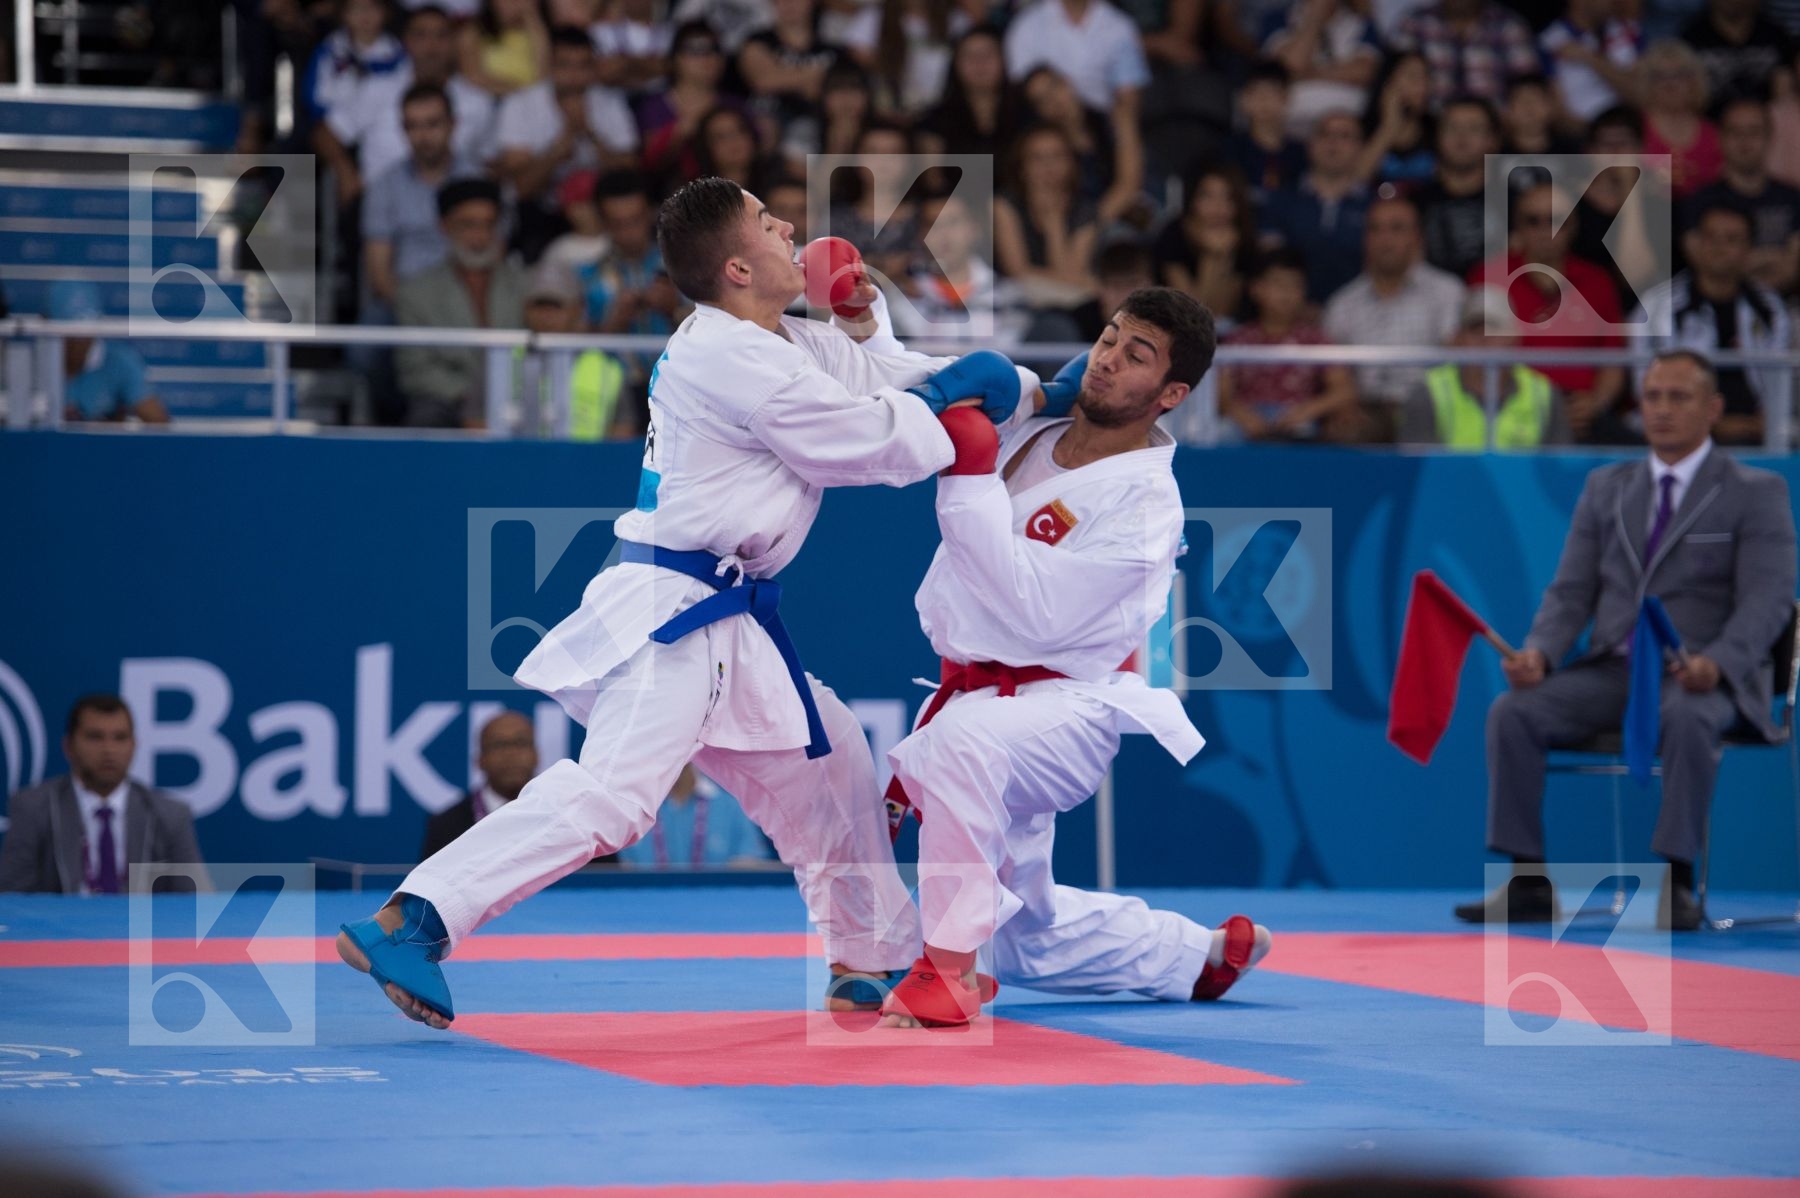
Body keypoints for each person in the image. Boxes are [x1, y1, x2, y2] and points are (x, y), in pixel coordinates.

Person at [335, 176, 1042, 1028]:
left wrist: (1044, 394)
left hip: (727, 618)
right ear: (737, 268)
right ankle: (412, 921)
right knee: (616, 797)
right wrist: (949, 397)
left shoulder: (781, 340)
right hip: (674, 612)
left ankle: (869, 956)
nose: (790, 226)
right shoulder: (724, 353)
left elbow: (883, 376)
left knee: (832, 764)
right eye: (767, 222)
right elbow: (863, 439)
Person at [876, 287, 1272, 1028]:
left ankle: (949, 970)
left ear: (1171, 394)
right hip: (981, 696)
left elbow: (1034, 609)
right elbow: (918, 388)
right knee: (1025, 938)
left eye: (1136, 356)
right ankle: (1200, 956)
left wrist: (968, 479)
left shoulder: (1146, 506)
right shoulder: (1032, 425)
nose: (1108, 359)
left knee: (958, 747)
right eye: (1110, 338)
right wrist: (864, 320)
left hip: (1066, 708)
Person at [1456, 349, 1796, 932]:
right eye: (1653, 397)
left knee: (1688, 716)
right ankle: (1528, 880)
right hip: (1613, 671)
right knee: (1514, 712)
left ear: (1713, 408)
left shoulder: (1755, 491)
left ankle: (1677, 882)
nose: (1662, 409)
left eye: (1679, 397)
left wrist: (1717, 663)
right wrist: (1540, 652)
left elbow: (1767, 601)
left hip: (1700, 674)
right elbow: (1571, 592)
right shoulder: (1606, 487)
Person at [1467, 180, 1626, 443]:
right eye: (1533, 221)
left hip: (1582, 415)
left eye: (1556, 220)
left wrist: (1594, 403)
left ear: (1573, 226)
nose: (1545, 230)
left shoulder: (1598, 282)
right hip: (1508, 413)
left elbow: (1614, 361)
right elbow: (1470, 357)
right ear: (1517, 226)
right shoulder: (1488, 277)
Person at [0, 695, 205, 894]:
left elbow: (195, 900)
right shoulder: (33, 807)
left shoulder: (170, 814)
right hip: (63, 918)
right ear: (69, 746)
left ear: (134, 746)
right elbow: (10, 897)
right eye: (95, 737)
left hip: (137, 919)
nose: (109, 750)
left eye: (120, 738)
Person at [1631, 201, 1793, 447]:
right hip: (1680, 431)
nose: (1720, 248)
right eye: (1711, 238)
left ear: (1749, 249)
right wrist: (1710, 424)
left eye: (1731, 239)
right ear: (1696, 243)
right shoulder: (1657, 306)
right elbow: (1645, 384)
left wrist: (1760, 424)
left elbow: (1780, 387)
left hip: (1757, 435)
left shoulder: (1770, 308)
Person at [1322, 193, 1465, 429]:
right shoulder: (1343, 303)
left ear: (1417, 237)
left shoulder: (1447, 292)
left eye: (1397, 228)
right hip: (1364, 414)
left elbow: (1456, 363)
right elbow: (1335, 374)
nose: (1385, 239)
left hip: (1430, 410)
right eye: (1375, 229)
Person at [493, 25, 640, 253]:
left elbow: (631, 173)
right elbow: (521, 188)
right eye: (565, 65)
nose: (574, 76)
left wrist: (590, 134)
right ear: (551, 66)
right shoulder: (520, 104)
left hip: (601, 209)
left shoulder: (610, 103)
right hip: (543, 213)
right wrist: (559, 148)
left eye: (583, 66)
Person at [394, 178, 528, 428]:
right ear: (444, 226)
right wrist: (474, 399)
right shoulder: (416, 293)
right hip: (453, 399)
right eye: (468, 225)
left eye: (488, 225)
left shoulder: (525, 285)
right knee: (426, 416)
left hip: (518, 396)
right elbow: (416, 371)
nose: (480, 237)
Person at [323, 4, 500, 190]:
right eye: (421, 35)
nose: (431, 46)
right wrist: (346, 173)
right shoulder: (377, 89)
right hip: (381, 200)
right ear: (406, 41)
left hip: (454, 202)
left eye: (441, 36)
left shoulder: (478, 101)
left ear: (453, 44)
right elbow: (326, 135)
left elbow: (490, 160)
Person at [1400, 286, 1569, 448]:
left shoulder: (1544, 393)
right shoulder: (1427, 393)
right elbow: (1418, 465)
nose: (1484, 338)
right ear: (1458, 338)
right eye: (1475, 330)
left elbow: (1560, 464)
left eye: (1494, 328)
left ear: (1514, 337)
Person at [1219, 249, 1359, 442]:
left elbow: (1344, 391)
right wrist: (1242, 415)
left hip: (1299, 422)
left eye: (1295, 285)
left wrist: (1308, 410)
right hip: (1245, 422)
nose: (1286, 293)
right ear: (1256, 288)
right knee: (1222, 433)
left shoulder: (1315, 340)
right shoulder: (1238, 339)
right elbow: (1222, 394)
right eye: (1278, 284)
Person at [1683, 95, 1800, 297]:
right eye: (1735, 132)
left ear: (1770, 137)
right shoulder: (1697, 202)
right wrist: (1771, 257)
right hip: (1714, 307)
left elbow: (1791, 270)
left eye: (1754, 132)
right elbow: (1707, 267)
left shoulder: (1793, 198)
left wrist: (1736, 263)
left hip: (1785, 307)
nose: (1744, 141)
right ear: (1720, 138)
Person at [1259, 109, 1372, 306]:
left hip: (1362, 313)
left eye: (1345, 136)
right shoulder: (1280, 200)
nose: (1333, 143)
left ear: (1361, 147)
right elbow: (1270, 267)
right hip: (1290, 313)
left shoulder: (1377, 207)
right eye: (1325, 134)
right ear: (1310, 144)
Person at [514, 258, 633, 439]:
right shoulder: (501, 363)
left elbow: (622, 442)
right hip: (514, 458)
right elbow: (478, 435)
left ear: (577, 309)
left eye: (556, 306)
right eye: (539, 305)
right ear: (525, 309)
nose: (546, 316)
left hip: (588, 458)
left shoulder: (608, 370)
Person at [422, 711, 540, 859]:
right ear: (480, 759)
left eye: (520, 743)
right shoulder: (446, 826)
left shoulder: (558, 814)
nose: (511, 753)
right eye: (499, 745)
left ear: (536, 755)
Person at [47, 281, 167, 425]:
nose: (77, 343)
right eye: (69, 335)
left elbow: (159, 423)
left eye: (84, 332)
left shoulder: (120, 360)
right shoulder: (35, 363)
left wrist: (108, 429)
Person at [1152, 164, 1256, 326]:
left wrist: (1224, 255)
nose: (1218, 207)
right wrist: (1211, 255)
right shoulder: (1174, 235)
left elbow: (1222, 311)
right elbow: (1190, 311)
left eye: (1228, 198)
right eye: (1207, 196)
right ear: (1193, 200)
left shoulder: (1242, 238)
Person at [1002, 0, 1150, 115]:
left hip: (1103, 126)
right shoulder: (1025, 26)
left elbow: (1128, 97)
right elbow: (1023, 94)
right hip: (1042, 126)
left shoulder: (1120, 26)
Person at [1387, 0, 1541, 109]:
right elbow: (1393, 84)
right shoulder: (1414, 24)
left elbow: (1529, 89)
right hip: (1428, 131)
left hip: (1496, 133)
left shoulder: (1508, 26)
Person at [1263, 0, 1381, 140]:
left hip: (1348, 123)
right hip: (1293, 122)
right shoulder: (1277, 19)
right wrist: (1315, 18)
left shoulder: (1362, 23)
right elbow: (1288, 67)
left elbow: (1363, 72)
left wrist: (1309, 73)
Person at [1414, 95, 1500, 282]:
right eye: (1452, 128)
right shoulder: (1415, 202)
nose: (1462, 137)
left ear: (1492, 140)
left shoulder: (1515, 202)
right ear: (1437, 137)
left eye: (1474, 129)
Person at [618, 765, 775, 866]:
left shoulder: (730, 806)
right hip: (651, 903)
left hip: (716, 902)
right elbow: (625, 869)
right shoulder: (635, 808)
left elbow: (750, 862)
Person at [1636, 39, 1722, 200]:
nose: (1670, 84)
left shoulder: (1714, 133)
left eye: (1679, 75)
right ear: (1647, 83)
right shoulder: (1634, 129)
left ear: (1694, 82)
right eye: (1660, 76)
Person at [1539, 0, 1640, 126]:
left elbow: (1640, 95)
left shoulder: (1630, 30)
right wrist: (1598, 133)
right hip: (1580, 132)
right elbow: (1559, 115)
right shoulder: (1549, 42)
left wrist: (1590, 59)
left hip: (1631, 127)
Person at [1223, 60, 1308, 204]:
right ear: (1243, 100)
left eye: (1272, 92)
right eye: (1255, 92)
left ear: (1286, 98)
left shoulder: (1301, 153)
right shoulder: (1230, 148)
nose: (1264, 99)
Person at [461, 0, 552, 95]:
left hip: (533, 95)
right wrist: (517, 91)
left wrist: (533, 21)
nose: (515, 4)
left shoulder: (538, 32)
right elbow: (474, 76)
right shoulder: (473, 33)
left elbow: (543, 72)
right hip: (490, 97)